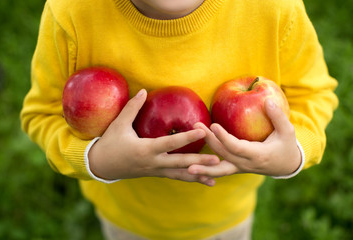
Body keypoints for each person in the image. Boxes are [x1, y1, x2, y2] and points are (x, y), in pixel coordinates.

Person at [20, 0, 338, 239]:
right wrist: (97, 160)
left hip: (225, 218)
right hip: (127, 219)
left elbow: (314, 94)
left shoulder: (273, 9)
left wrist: (294, 152)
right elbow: (42, 112)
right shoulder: (73, 14)